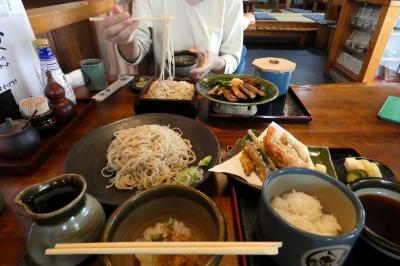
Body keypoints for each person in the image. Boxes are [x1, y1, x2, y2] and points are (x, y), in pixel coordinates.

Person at [104, 0, 244, 80]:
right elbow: (137, 50)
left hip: (209, 91)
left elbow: (232, 56)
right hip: (164, 89)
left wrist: (215, 61)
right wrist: (127, 41)